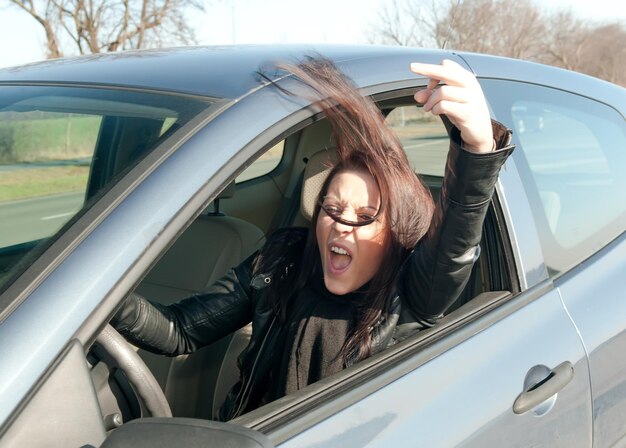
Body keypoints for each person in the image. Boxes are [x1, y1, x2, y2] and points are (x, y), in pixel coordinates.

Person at [112, 57, 514, 421]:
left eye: (364, 217)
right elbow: (178, 330)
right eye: (332, 209)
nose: (341, 225)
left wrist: (477, 147)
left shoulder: (408, 296)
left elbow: (455, 244)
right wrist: (100, 296)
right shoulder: (279, 261)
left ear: (394, 234)